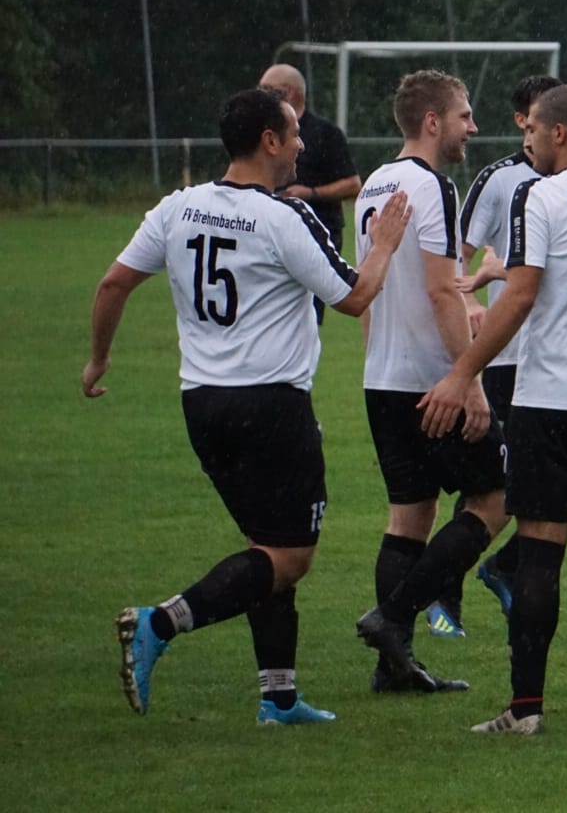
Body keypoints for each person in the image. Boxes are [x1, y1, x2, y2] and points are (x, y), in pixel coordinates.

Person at [83, 86, 411, 725]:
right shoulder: (281, 218)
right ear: (269, 141)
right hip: (270, 407)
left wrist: (98, 358)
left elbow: (114, 281)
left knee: (264, 548)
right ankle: (160, 623)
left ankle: (279, 697)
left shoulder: (179, 208)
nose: (302, 144)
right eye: (293, 133)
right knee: (288, 556)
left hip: (203, 405)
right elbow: (353, 297)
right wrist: (386, 243)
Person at [419, 83, 567, 737]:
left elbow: (520, 299)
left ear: (560, 134)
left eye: (533, 133)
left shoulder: (539, 195)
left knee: (542, 544)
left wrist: (463, 372)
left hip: (554, 396)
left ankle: (524, 709)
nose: (525, 143)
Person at [351, 69, 512, 693]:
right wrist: (468, 382)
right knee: (498, 498)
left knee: (408, 516)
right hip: (430, 384)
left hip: (384, 380)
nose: (473, 127)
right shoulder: (431, 186)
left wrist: (376, 361)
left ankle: (394, 668)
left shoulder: (373, 185)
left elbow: (369, 287)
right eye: (465, 115)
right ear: (432, 122)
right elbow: (442, 288)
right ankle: (392, 619)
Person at [426, 73, 560, 638]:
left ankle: (503, 570)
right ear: (521, 123)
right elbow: (455, 257)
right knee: (490, 481)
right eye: (535, 119)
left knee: (554, 483)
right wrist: (474, 304)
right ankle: (441, 598)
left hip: (554, 357)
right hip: (504, 356)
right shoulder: (499, 180)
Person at [259, 64, 361, 323]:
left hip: (319, 232)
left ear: (289, 92)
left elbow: (352, 184)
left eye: (266, 90)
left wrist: (310, 193)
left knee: (306, 316)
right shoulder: (263, 132)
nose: (260, 96)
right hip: (272, 230)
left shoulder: (326, 134)